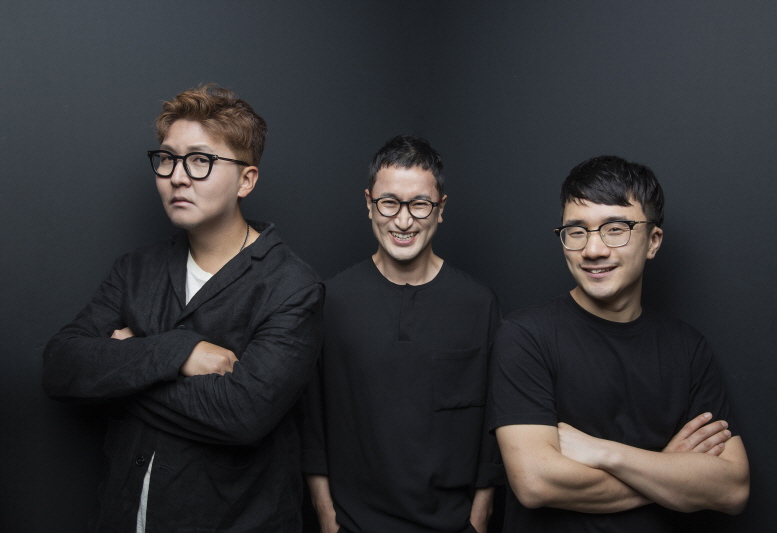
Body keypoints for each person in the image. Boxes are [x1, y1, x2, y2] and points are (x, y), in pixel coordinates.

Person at [42, 84, 323, 532]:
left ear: (246, 180)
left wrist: (122, 366)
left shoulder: (292, 286)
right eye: (168, 158)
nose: (177, 176)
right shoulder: (135, 270)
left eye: (200, 160)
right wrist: (179, 351)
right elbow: (60, 366)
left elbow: (243, 415)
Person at [489, 155, 750, 532]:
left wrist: (604, 453)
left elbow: (733, 489)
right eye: (576, 231)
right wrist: (669, 468)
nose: (593, 249)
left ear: (653, 241)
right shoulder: (525, 336)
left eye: (615, 228)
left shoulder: (688, 348)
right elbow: (536, 483)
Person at [303, 135, 502, 533]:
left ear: (440, 208)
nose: (404, 221)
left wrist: (479, 519)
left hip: (452, 525)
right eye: (389, 203)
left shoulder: (478, 304)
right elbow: (312, 424)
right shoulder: (331, 300)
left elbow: (492, 426)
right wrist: (326, 517)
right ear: (369, 204)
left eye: (420, 204)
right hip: (353, 525)